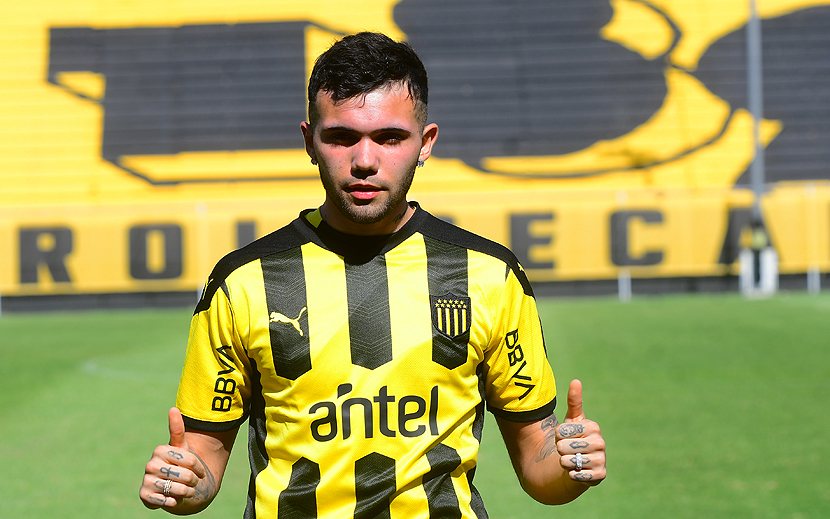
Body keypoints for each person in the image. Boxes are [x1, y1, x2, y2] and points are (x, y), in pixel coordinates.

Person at [139, 31, 607, 518]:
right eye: (341, 137)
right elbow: (204, 461)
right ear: (310, 142)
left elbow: (538, 467)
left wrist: (570, 465)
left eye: (389, 138)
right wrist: (186, 484)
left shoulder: (490, 276)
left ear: (425, 143)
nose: (364, 160)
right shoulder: (242, 282)